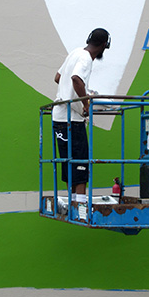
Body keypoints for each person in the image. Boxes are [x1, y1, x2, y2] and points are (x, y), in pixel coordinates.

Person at [52, 28, 111, 206]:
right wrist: (85, 104)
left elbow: (57, 77)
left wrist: (75, 93)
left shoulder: (75, 53)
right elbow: (76, 79)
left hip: (59, 116)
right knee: (81, 161)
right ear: (103, 46)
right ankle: (80, 204)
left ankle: (73, 201)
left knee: (68, 160)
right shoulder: (86, 59)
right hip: (72, 119)